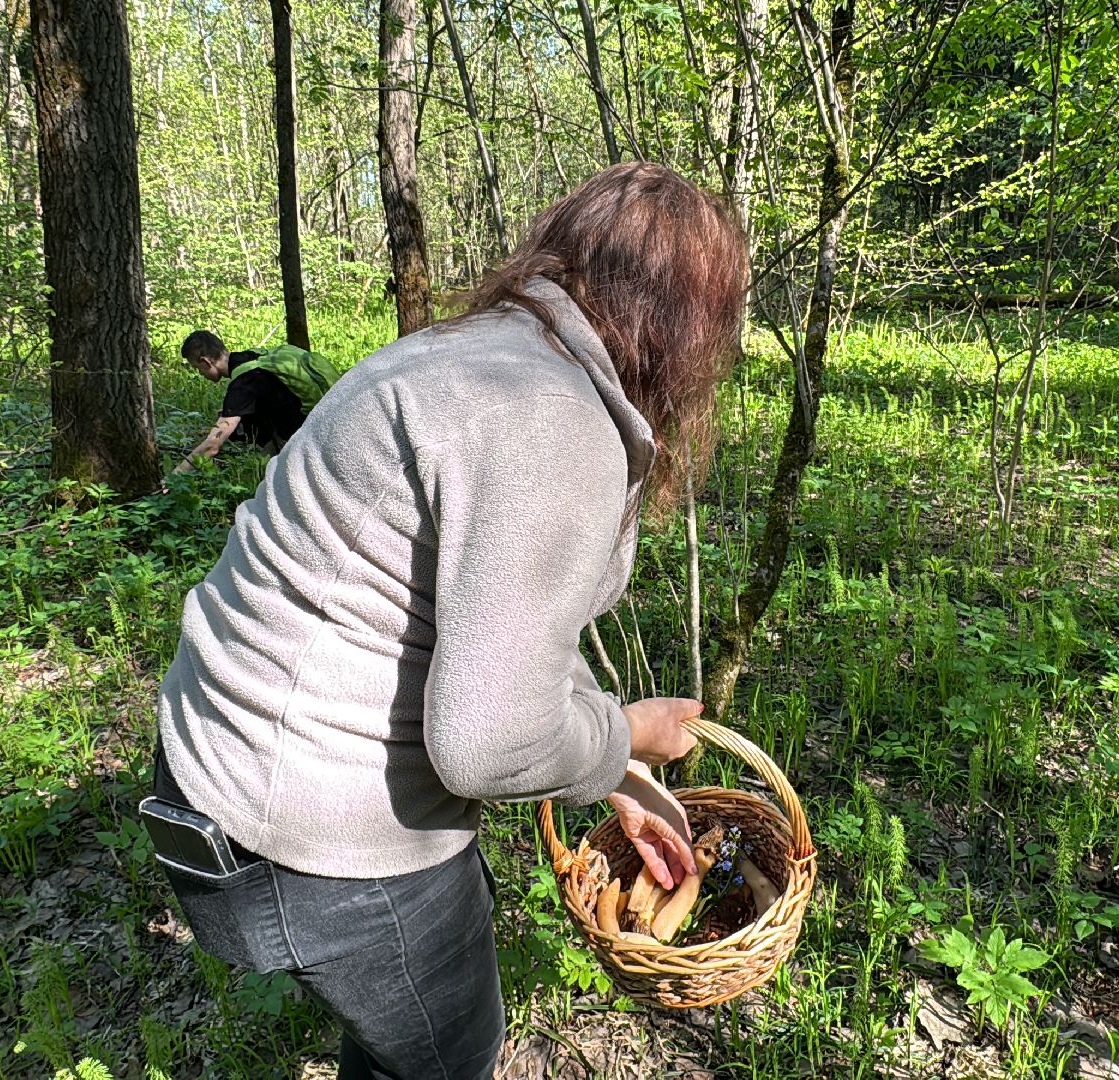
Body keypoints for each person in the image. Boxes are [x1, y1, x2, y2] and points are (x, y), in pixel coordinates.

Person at [147, 161, 749, 1080]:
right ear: (685, 327)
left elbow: (488, 612)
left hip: (209, 775)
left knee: (398, 1046)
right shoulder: (553, 420)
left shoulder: (469, 359)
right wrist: (627, 731)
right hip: (318, 835)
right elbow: (486, 742)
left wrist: (613, 773)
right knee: (444, 1059)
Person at [174, 332, 342, 472]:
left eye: (198, 368)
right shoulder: (255, 357)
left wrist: (177, 474)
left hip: (306, 439)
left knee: (268, 477)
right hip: (329, 418)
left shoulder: (244, 383)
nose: (200, 373)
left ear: (206, 361)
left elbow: (212, 445)